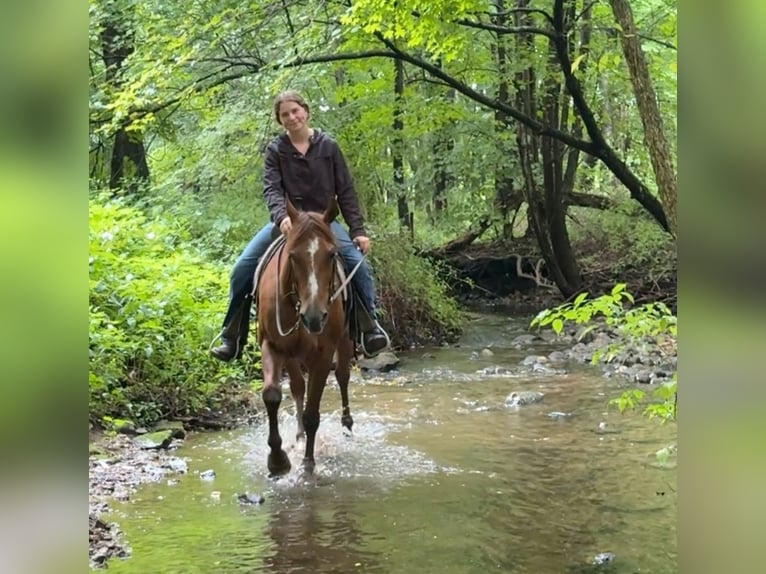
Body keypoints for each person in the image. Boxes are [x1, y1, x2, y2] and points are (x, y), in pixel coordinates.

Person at [210, 90, 390, 361]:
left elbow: (346, 190)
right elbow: (271, 188)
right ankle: (232, 336)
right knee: (241, 269)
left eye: (295, 111)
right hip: (288, 224)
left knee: (357, 265)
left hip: (323, 224)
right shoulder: (275, 151)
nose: (292, 117)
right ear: (279, 120)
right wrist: (281, 215)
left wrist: (358, 231)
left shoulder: (328, 147)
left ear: (305, 111)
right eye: (285, 114)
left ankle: (369, 328)